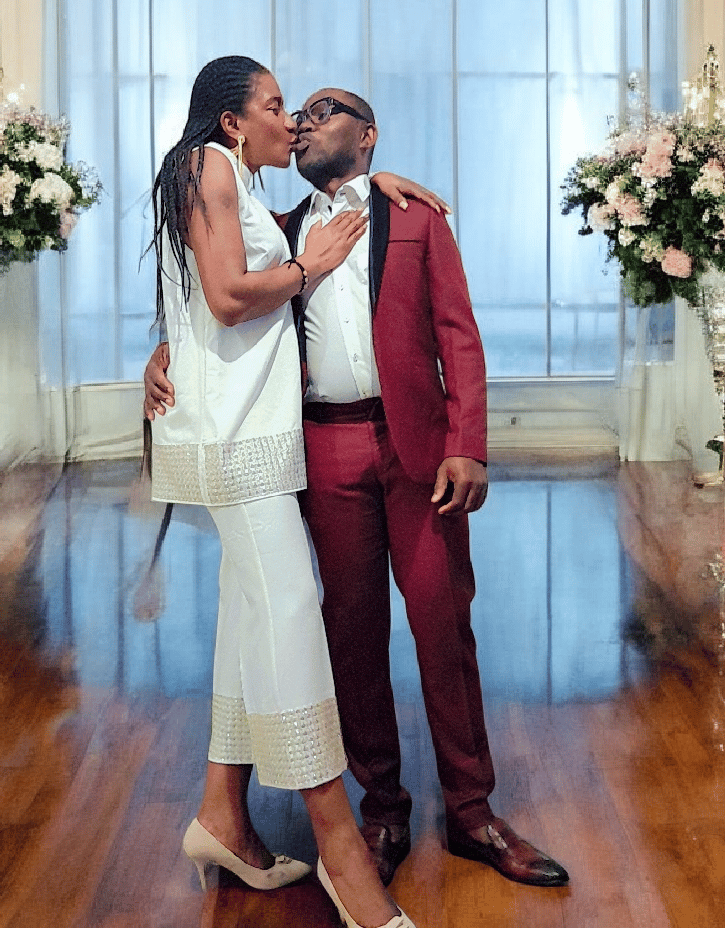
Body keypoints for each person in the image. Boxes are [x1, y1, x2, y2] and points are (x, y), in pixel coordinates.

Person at [146, 84, 569, 891]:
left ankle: (473, 811)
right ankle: (382, 810)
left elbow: (460, 335)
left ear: (368, 135)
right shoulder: (278, 229)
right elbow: (216, 293)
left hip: (419, 450)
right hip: (323, 447)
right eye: (294, 112)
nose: (304, 122)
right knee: (351, 635)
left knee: (443, 624)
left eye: (324, 110)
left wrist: (467, 444)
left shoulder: (415, 217)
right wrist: (162, 352)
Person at [148, 56, 441, 928]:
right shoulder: (207, 162)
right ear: (234, 122)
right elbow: (228, 297)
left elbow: (201, 294)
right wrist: (309, 267)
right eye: (277, 106)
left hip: (257, 436)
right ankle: (339, 846)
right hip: (234, 440)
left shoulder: (235, 179)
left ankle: (221, 816)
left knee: (250, 614)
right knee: (290, 607)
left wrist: (375, 182)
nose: (293, 121)